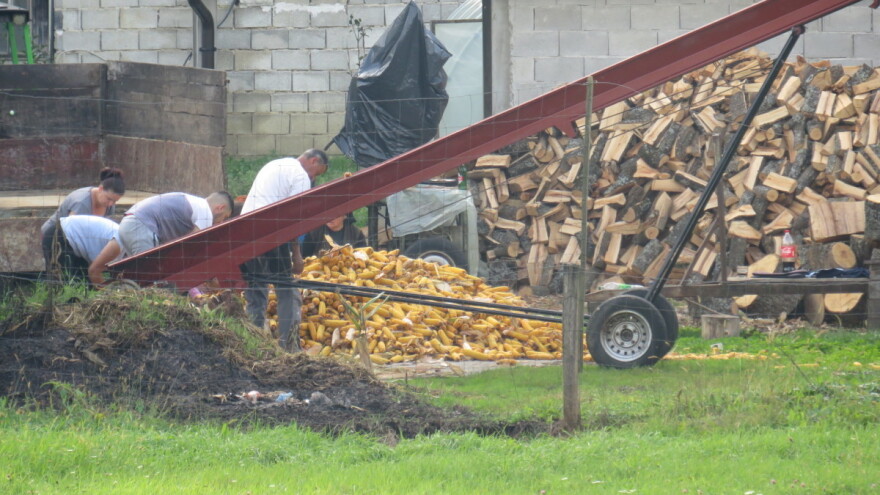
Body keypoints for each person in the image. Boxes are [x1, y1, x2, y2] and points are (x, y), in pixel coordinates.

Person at [239, 149, 329, 352]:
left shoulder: (274, 164)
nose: (313, 178)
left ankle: (252, 346)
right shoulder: (299, 175)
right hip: (271, 230)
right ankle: (289, 347)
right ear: (313, 161)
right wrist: (296, 255)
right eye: (316, 173)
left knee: (256, 288)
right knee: (286, 287)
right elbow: (293, 218)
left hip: (245, 230)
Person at [88, 191, 234, 284]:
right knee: (151, 278)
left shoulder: (193, 203)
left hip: (130, 224)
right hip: (141, 226)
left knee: (137, 277)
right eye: (224, 217)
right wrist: (208, 274)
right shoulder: (204, 210)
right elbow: (191, 245)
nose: (220, 222)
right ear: (219, 208)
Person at [41, 167, 125, 272]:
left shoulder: (109, 205)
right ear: (100, 189)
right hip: (58, 237)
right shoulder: (81, 202)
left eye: (115, 201)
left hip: (82, 243)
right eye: (109, 199)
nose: (111, 204)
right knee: (67, 275)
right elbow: (70, 231)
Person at [49, 215, 120, 285]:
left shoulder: (123, 238)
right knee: (65, 285)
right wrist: (107, 294)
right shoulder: (119, 242)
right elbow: (94, 271)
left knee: (84, 286)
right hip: (61, 235)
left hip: (77, 244)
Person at [301, 213, 367, 258]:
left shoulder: (356, 233)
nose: (330, 217)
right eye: (328, 213)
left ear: (345, 215)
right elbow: (304, 257)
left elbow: (364, 255)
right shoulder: (314, 232)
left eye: (335, 214)